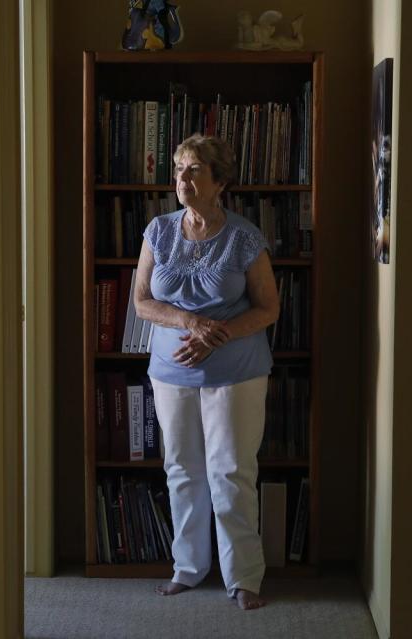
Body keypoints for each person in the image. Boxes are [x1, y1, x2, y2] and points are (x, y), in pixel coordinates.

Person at [133, 134, 280, 610]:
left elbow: (269, 308)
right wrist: (188, 321)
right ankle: (189, 568)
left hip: (236, 373)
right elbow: (142, 302)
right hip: (170, 373)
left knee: (231, 472)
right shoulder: (158, 230)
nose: (183, 179)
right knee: (181, 471)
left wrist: (217, 334)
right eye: (178, 170)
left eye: (194, 170)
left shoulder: (243, 236)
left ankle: (244, 577)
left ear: (220, 182)